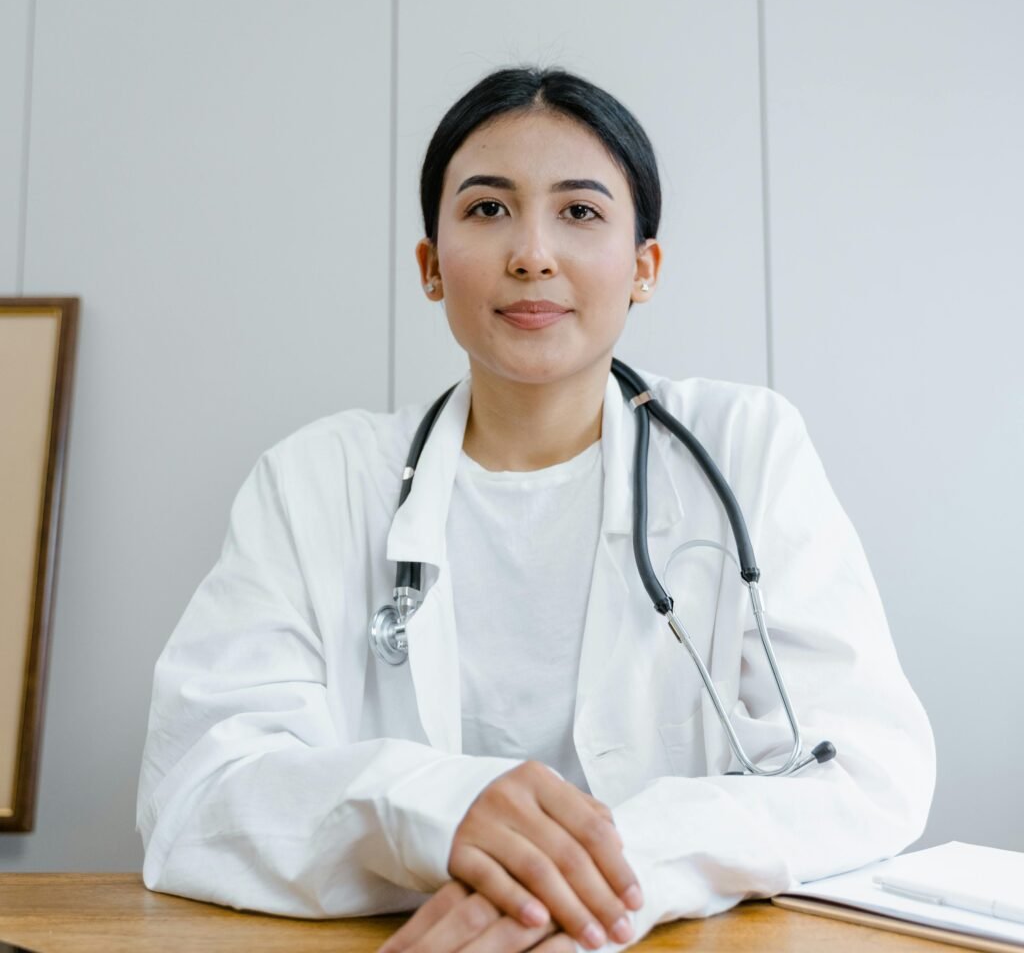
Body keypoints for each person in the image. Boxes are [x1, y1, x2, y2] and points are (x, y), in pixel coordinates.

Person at [137, 66, 936, 953]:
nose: (532, 253)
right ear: (431, 266)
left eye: (581, 212)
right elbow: (196, 791)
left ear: (645, 268)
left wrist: (603, 875)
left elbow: (863, 770)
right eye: (487, 210)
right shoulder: (318, 480)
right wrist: (434, 813)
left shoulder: (743, 447)